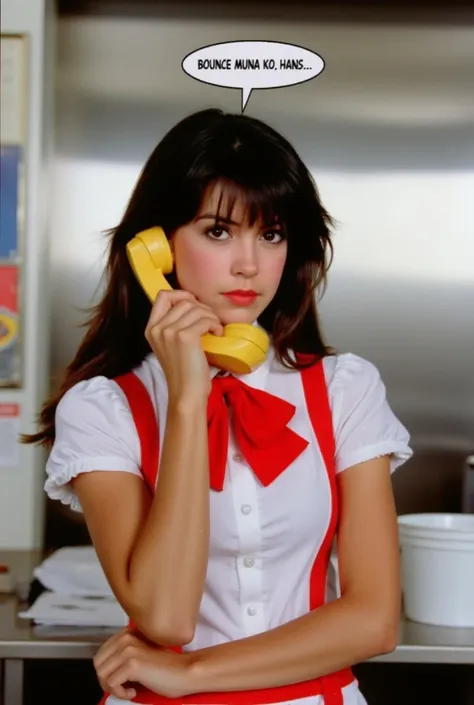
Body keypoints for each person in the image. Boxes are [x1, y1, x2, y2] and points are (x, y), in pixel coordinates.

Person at [22, 108, 413, 705]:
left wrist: (192, 672)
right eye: (219, 231)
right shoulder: (103, 408)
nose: (249, 265)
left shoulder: (344, 389)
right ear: (155, 246)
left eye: (272, 234)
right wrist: (186, 399)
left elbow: (374, 619)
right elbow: (166, 618)